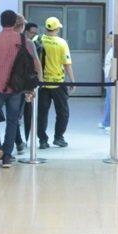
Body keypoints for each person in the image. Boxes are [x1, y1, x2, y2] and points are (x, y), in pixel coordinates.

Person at [0, 10, 40, 168]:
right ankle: (7, 156)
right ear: (15, 23)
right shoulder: (24, 40)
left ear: (1, 22)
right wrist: (33, 84)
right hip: (16, 87)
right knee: (13, 120)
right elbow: (33, 63)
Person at [36, 16, 76, 148]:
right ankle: (58, 137)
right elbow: (67, 64)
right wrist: (72, 81)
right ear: (57, 28)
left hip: (41, 83)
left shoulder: (37, 39)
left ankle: (42, 140)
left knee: (42, 112)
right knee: (63, 111)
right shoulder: (61, 43)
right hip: (58, 82)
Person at [20, 21, 40, 153]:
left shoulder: (33, 43)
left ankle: (21, 140)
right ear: (25, 31)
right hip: (23, 82)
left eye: (35, 33)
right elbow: (36, 62)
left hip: (24, 82)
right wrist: (40, 80)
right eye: (32, 33)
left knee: (23, 112)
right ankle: (19, 141)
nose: (34, 35)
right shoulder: (29, 43)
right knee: (21, 112)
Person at [100, 32, 114, 130]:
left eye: (110, 38)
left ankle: (108, 123)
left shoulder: (114, 50)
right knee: (107, 101)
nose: (108, 40)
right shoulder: (112, 49)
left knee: (110, 101)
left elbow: (113, 64)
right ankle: (106, 122)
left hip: (111, 79)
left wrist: (109, 77)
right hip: (108, 79)